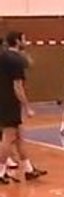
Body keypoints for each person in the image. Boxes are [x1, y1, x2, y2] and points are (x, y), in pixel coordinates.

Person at [0, 31, 47, 185]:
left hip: (3, 100)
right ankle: (1, 172)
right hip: (9, 102)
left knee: (19, 137)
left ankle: (28, 170)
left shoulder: (3, 55)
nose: (26, 41)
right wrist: (27, 107)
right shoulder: (15, 60)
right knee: (8, 137)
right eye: (24, 38)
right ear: (18, 41)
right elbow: (17, 86)